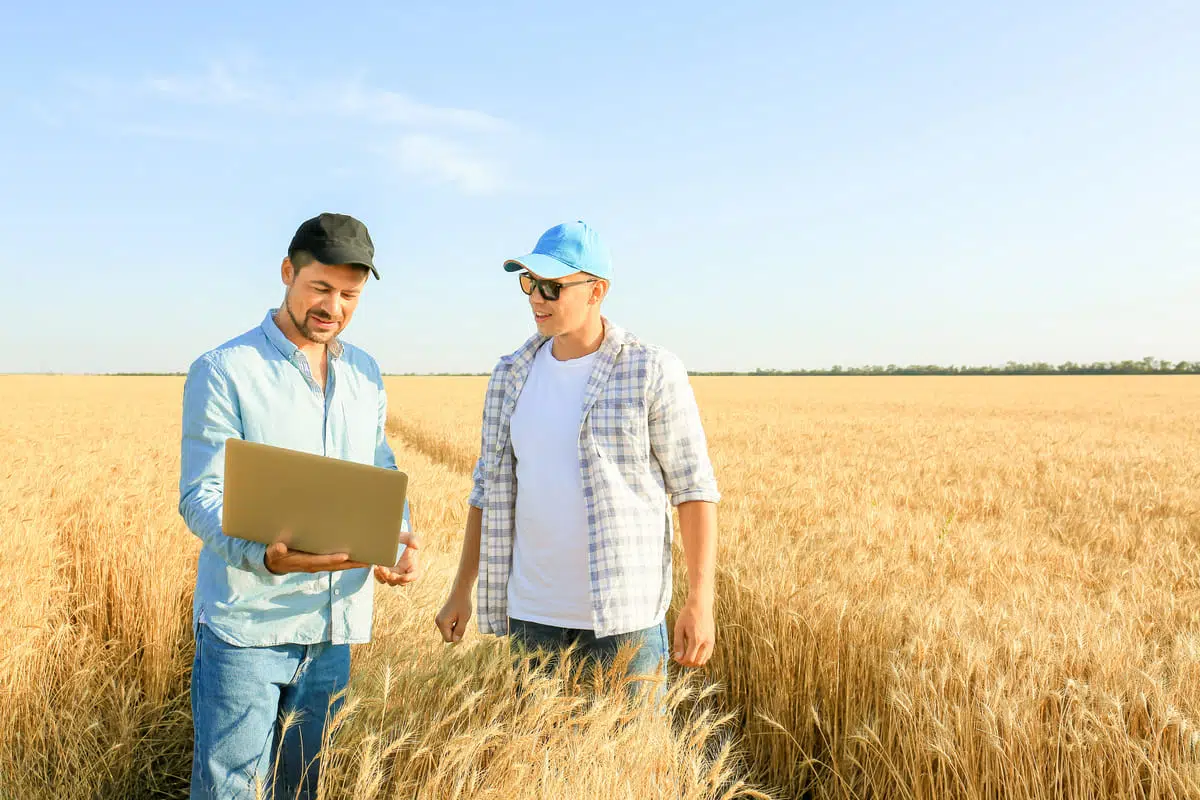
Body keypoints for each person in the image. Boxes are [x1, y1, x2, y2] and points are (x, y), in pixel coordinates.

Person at [179, 212, 420, 799]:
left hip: (334, 631)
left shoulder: (364, 373)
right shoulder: (224, 370)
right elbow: (200, 495)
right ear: (287, 273)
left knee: (302, 789)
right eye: (320, 288)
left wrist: (397, 536)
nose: (332, 306)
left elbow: (379, 467)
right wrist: (265, 555)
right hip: (247, 629)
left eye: (348, 295)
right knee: (229, 792)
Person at [435, 220, 720, 699]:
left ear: (597, 291)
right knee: (533, 769)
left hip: (623, 623)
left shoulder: (650, 369)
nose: (535, 298)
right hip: (531, 619)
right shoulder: (510, 375)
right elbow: (487, 491)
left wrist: (700, 600)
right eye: (528, 283)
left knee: (628, 769)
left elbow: (694, 490)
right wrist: (461, 588)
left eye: (551, 286)